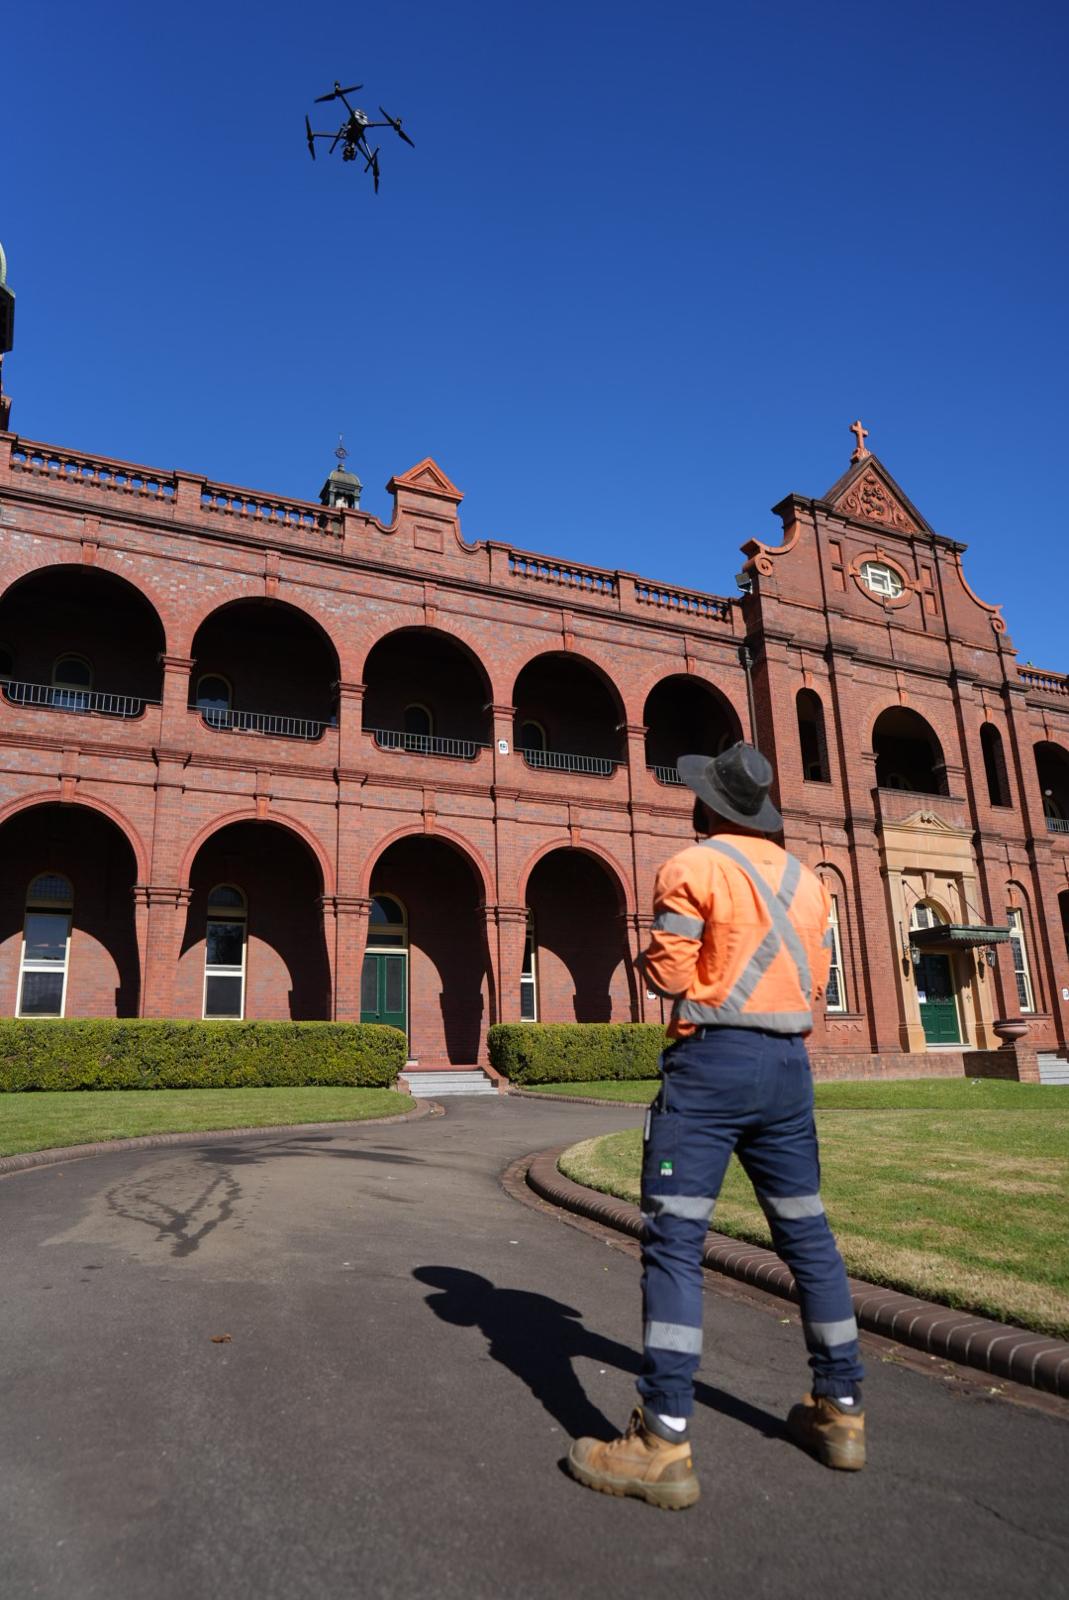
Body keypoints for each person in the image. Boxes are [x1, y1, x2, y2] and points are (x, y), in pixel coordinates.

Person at [567, 742, 864, 1510]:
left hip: (710, 1069)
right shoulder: (808, 882)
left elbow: (669, 973)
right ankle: (841, 1412)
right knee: (808, 1237)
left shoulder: (690, 866)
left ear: (707, 807)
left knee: (675, 1243)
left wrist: (652, 962)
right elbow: (820, 979)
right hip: (788, 1070)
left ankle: (661, 1441)